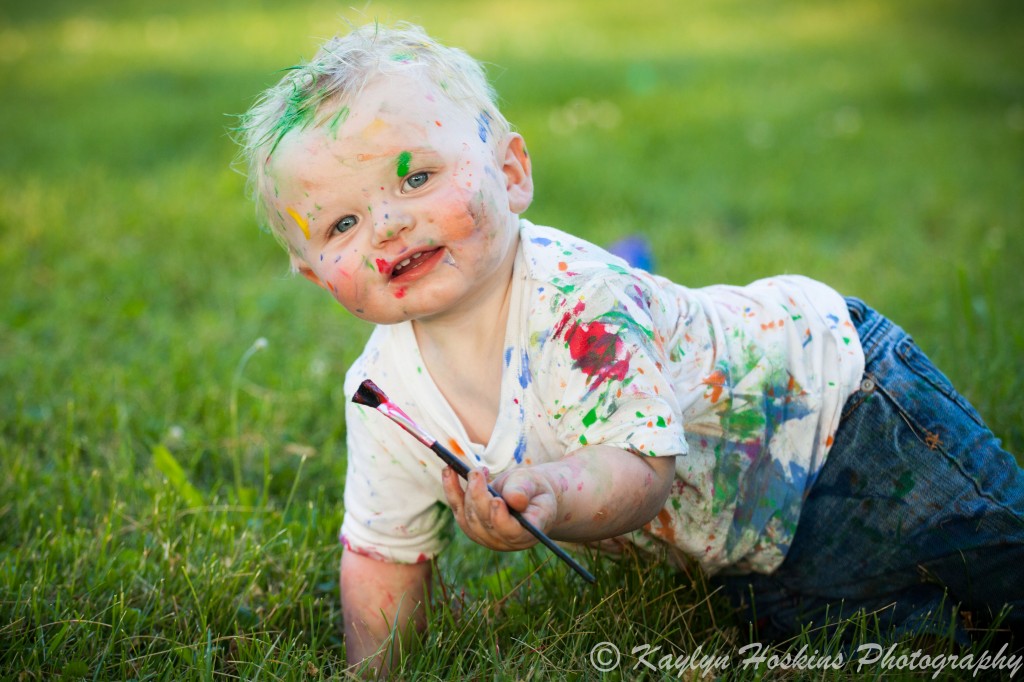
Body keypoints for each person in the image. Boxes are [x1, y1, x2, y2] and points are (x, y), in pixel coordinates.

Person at [235, 22, 1024, 673]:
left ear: (510, 173)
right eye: (341, 224)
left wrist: (551, 494)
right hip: (740, 530)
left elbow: (642, 471)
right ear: (312, 274)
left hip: (848, 415)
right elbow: (383, 556)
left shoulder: (576, 302)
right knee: (892, 639)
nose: (387, 225)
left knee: (995, 562)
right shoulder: (382, 393)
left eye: (416, 179)